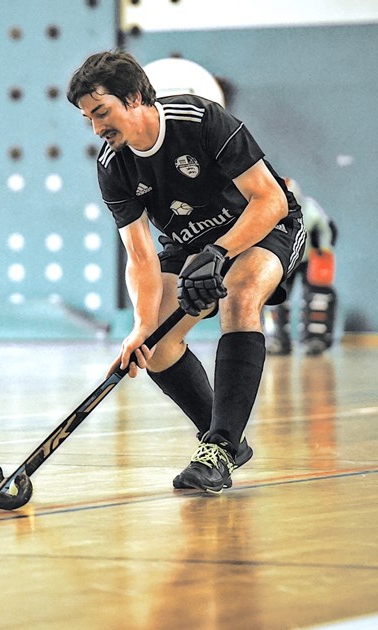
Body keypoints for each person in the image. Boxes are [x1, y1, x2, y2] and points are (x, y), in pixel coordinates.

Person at [67, 50, 306, 492]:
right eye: (89, 119)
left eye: (102, 113)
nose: (98, 128)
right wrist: (140, 325)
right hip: (191, 244)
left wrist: (219, 250)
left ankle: (218, 447)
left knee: (241, 293)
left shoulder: (200, 120)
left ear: (135, 97)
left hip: (264, 227)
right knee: (155, 345)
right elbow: (140, 257)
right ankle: (224, 442)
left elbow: (269, 200)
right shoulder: (113, 166)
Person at [264, 178, 338, 356]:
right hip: (283, 259)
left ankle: (316, 338)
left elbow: (325, 229)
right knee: (275, 297)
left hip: (308, 260)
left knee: (317, 298)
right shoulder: (269, 208)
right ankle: (277, 338)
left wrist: (324, 250)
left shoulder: (310, 208)